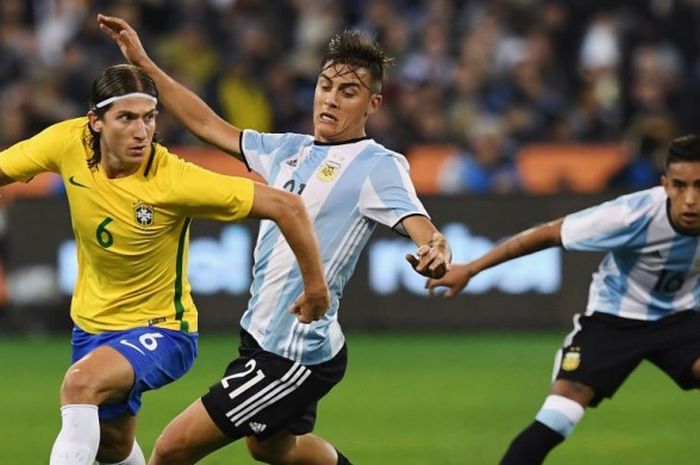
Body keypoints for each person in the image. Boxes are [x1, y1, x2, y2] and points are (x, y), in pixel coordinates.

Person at [98, 14, 451, 465]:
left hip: (292, 354)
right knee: (272, 449)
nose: (331, 99)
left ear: (373, 104)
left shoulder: (377, 165)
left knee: (170, 449)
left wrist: (436, 248)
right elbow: (207, 125)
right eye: (326, 86)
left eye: (348, 92)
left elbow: (421, 224)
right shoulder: (288, 149)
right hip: (263, 337)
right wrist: (144, 63)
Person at [0, 63, 329, 465]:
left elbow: (288, 206)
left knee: (80, 384)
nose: (142, 132)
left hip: (163, 330)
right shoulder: (68, 142)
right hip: (92, 328)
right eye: (126, 118)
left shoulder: (172, 179)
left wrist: (315, 288)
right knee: (113, 447)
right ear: (95, 122)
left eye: (149, 118)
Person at [427, 134, 700, 464]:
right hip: (616, 319)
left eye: (699, 186)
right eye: (680, 186)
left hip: (682, 318)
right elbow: (549, 233)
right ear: (665, 184)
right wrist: (472, 268)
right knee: (560, 414)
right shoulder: (633, 214)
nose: (689, 199)